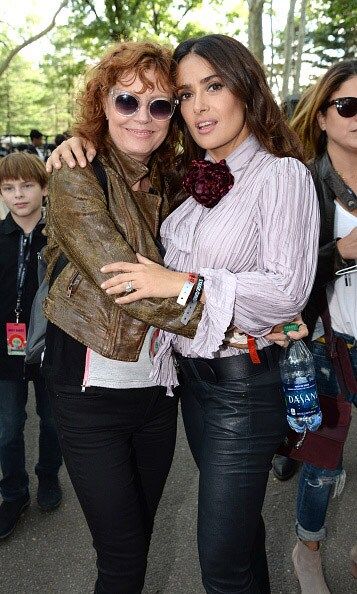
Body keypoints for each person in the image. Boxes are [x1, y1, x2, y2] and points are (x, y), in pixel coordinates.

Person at [49, 35, 319, 593]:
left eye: (212, 87)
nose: (197, 106)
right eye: (185, 93)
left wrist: (186, 287)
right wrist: (75, 144)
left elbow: (287, 293)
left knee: (219, 563)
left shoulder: (281, 175)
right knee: (238, 541)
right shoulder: (189, 183)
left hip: (240, 386)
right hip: (187, 385)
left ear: (245, 90)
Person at [42, 40, 206, 594]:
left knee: (140, 536)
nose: (143, 117)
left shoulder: (177, 182)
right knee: (122, 558)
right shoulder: (75, 174)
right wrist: (228, 319)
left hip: (157, 393)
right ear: (102, 105)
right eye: (126, 101)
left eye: (160, 106)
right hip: (90, 395)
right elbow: (122, 281)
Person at [282, 60, 357, 594]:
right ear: (324, 114)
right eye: (348, 106)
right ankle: (307, 547)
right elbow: (286, 274)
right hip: (329, 344)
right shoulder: (304, 183)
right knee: (323, 462)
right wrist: (343, 251)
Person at [0, 153, 63, 540]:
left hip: (49, 347)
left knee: (52, 421)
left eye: (27, 186)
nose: (19, 195)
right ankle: (14, 491)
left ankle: (48, 477)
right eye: (9, 188)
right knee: (7, 427)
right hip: (5, 352)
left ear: (43, 188)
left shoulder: (57, 235)